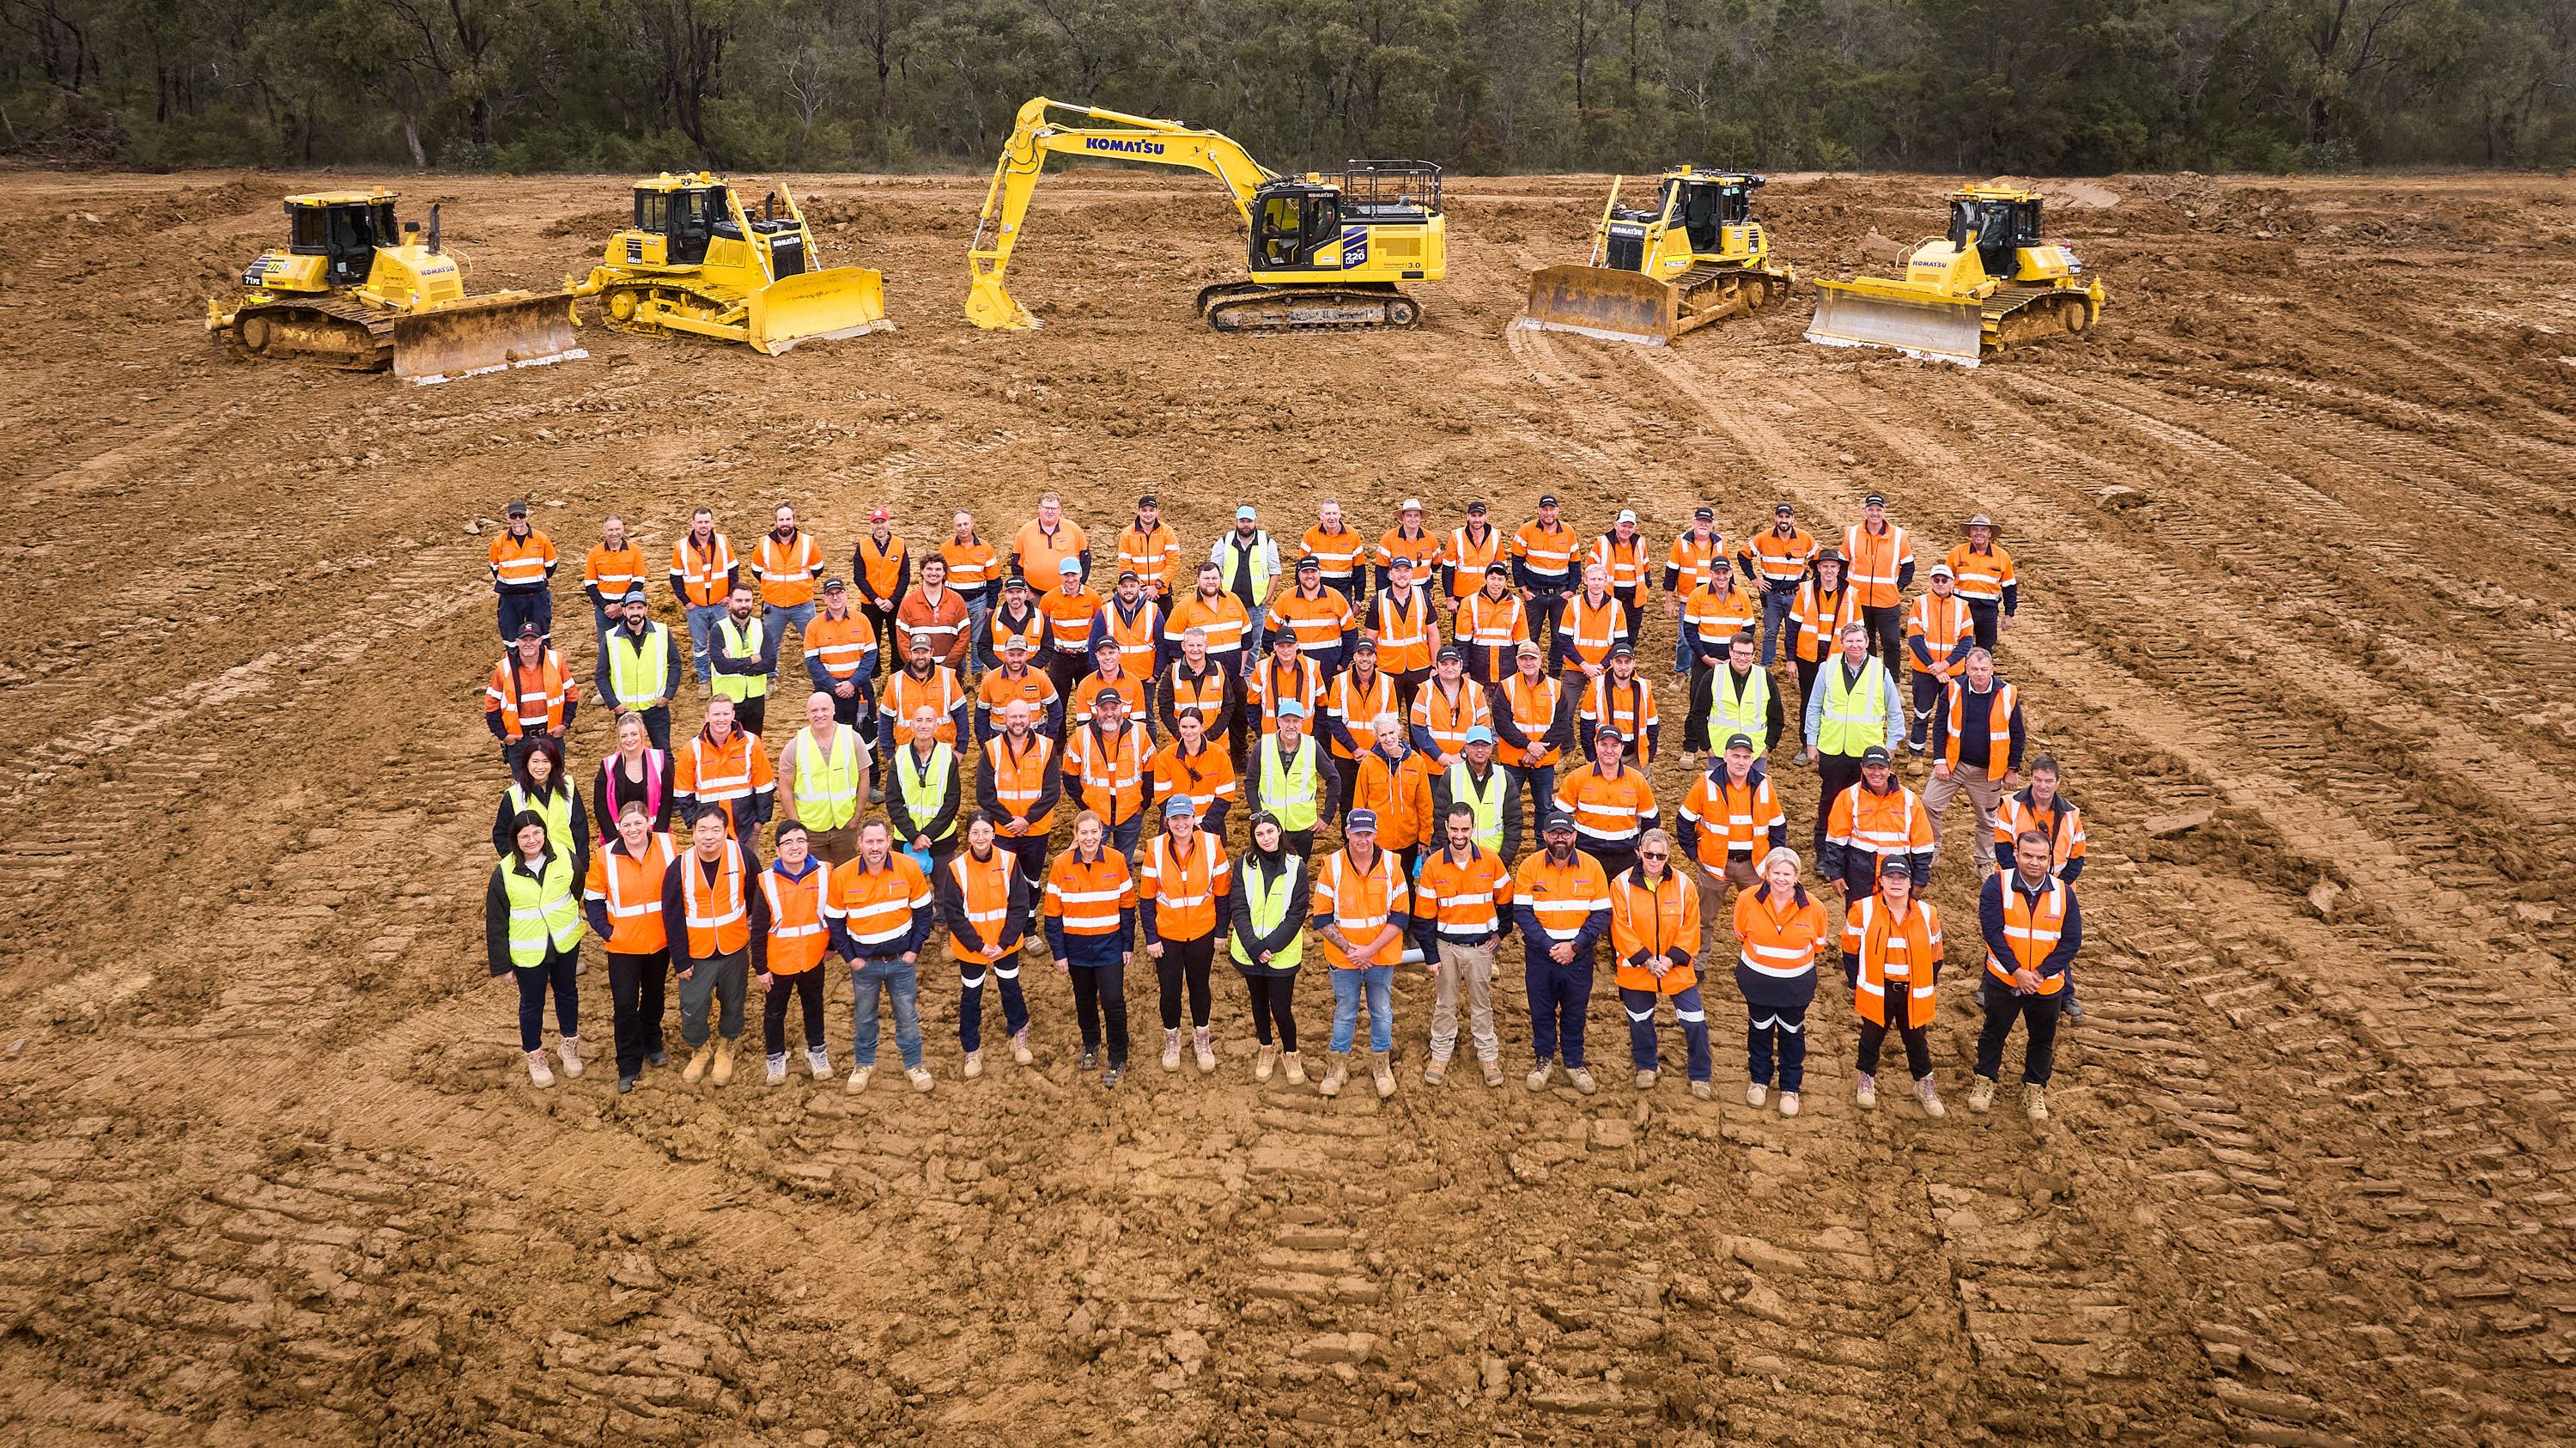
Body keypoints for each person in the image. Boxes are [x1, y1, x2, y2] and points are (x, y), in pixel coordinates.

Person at [1974, 830, 2082, 1119]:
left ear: (2049, 860)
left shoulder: (2064, 893)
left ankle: (2035, 1088)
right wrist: (2018, 972)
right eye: (2027, 856)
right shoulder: (1997, 885)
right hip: (2005, 981)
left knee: (2042, 1039)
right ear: (2016, 854)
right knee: (1994, 1033)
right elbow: (1992, 932)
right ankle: (1984, 1080)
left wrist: (2040, 974)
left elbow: (2071, 940)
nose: (2034, 863)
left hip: (2046, 986)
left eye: (2040, 857)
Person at [830, 818, 937, 1094]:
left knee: (907, 1016)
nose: (875, 847)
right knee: (864, 1016)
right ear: (859, 844)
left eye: (880, 841)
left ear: (889, 842)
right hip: (865, 966)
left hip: (901, 962)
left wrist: (914, 951)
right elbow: (834, 922)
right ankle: (863, 1065)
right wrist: (851, 958)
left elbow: (925, 912)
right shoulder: (842, 876)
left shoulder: (908, 867)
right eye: (869, 841)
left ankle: (914, 1065)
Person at [1413, 800, 1512, 1087]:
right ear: (1446, 828)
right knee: (1446, 1003)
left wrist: (1500, 933)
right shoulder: (1433, 866)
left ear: (1473, 828)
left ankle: (1487, 1055)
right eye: (1454, 828)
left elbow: (1506, 902)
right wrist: (1431, 956)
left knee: (1482, 1004)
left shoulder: (1491, 861)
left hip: (1482, 949)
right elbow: (1424, 918)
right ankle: (1440, 1052)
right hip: (1447, 948)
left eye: (1465, 829)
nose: (1459, 835)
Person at [1313, 808, 1410, 1099]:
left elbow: (1401, 916)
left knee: (1381, 1010)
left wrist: (1369, 950)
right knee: (1345, 1012)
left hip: (1379, 957)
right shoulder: (1331, 865)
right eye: (1357, 834)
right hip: (1345, 959)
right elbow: (1321, 918)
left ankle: (1382, 1066)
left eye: (1368, 834)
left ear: (1375, 834)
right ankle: (1337, 1067)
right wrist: (1352, 950)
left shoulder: (1393, 864)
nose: (1363, 840)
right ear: (1347, 833)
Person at [1513, 811, 1610, 1094]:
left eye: (1565, 834)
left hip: (1578, 958)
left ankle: (1574, 1062)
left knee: (1575, 1012)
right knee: (1541, 1011)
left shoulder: (1592, 867)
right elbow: (1522, 912)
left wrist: (1575, 945)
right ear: (1544, 836)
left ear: (1574, 837)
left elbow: (1601, 914)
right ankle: (1543, 1060)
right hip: (1541, 957)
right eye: (1554, 834)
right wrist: (1548, 946)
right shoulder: (1530, 867)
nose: (1560, 839)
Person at [583, 800, 677, 1092]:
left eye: (638, 823)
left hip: (660, 942)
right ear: (619, 827)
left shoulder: (669, 846)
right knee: (624, 1005)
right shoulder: (604, 856)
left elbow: (681, 886)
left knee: (654, 996)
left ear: (649, 822)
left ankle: (652, 1041)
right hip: (623, 946)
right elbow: (593, 900)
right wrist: (608, 932)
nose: (633, 829)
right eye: (627, 825)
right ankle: (628, 1063)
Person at [487, 808, 585, 1087]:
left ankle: (569, 1045)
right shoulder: (504, 872)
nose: (532, 840)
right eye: (525, 836)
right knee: (532, 1004)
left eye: (537, 833)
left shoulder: (566, 858)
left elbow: (577, 888)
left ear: (544, 832)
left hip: (564, 942)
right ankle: (535, 1055)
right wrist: (502, 966)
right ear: (515, 840)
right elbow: (496, 921)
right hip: (528, 951)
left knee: (567, 993)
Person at [1731, 845, 1830, 1116]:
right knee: (1759, 1030)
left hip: (1794, 987)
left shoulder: (1815, 907)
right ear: (1766, 873)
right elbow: (1741, 932)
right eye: (1776, 872)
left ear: (1797, 876)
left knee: (1792, 1034)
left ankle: (1790, 1088)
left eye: (1787, 873)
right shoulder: (1747, 899)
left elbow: (1818, 944)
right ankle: (1759, 1081)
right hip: (1758, 985)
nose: (1781, 879)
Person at [1612, 829, 1710, 1096]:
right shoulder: (1620, 885)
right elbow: (1620, 928)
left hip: (1674, 968)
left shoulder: (1684, 885)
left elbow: (1691, 927)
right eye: (1650, 854)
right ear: (1639, 853)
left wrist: (1671, 959)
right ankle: (1646, 1065)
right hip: (1638, 969)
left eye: (1661, 855)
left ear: (1668, 856)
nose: (1655, 860)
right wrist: (1645, 960)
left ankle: (1700, 1074)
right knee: (1639, 1018)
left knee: (1694, 1020)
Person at [1845, 856, 1944, 1117]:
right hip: (1879, 989)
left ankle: (1924, 1084)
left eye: (1902, 878)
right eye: (1890, 877)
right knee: (1871, 1035)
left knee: (1916, 1039)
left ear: (1911, 883)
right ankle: (1866, 1079)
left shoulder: (1927, 914)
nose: (1896, 882)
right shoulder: (1862, 909)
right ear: (1881, 881)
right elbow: (1850, 949)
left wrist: (1928, 984)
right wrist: (1854, 982)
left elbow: (1937, 953)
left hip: (1913, 990)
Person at [1045, 811, 1139, 1085]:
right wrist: (1058, 952)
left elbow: (1127, 906)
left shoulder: (1117, 860)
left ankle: (1118, 1056)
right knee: (1084, 1000)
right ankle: (1090, 1044)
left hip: (1109, 947)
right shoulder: (1061, 865)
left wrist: (1127, 944)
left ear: (1102, 833)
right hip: (1076, 950)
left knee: (1113, 1001)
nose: (1089, 838)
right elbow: (1052, 913)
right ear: (1075, 835)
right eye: (1083, 833)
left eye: (1094, 832)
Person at [937, 812, 1034, 1076]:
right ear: (968, 837)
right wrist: (979, 946)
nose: (980, 838)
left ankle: (1019, 1035)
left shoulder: (1009, 861)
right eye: (975, 833)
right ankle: (972, 1050)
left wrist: (1003, 943)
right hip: (973, 949)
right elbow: (954, 913)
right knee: (971, 997)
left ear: (994, 833)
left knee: (1011, 988)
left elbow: (1020, 905)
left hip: (1005, 945)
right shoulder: (956, 868)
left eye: (985, 832)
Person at [1140, 795, 1232, 1074]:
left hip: (1202, 932)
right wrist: (1151, 938)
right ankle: (1172, 1041)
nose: (1181, 824)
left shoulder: (1212, 844)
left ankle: (1202, 1040)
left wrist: (1220, 932)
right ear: (1167, 821)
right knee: (1169, 991)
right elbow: (1146, 899)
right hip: (1167, 935)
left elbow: (1223, 894)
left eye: (1185, 818)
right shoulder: (1154, 848)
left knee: (1199, 987)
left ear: (1194, 819)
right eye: (1175, 818)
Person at [661, 809, 752, 1087]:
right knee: (693, 1007)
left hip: (734, 949)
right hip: (697, 955)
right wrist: (680, 960)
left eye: (715, 830)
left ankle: (727, 1046)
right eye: (702, 830)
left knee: (733, 1001)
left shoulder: (742, 856)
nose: (709, 836)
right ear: (693, 832)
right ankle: (700, 1049)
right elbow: (672, 915)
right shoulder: (680, 866)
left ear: (725, 831)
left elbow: (755, 893)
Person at [1993, 755, 2087, 1020]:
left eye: (2048, 781)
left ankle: (2065, 993)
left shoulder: (2071, 815)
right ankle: (1991, 986)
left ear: (2058, 782)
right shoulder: (2011, 806)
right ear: (2031, 779)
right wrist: (2016, 877)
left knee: (2055, 941)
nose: (2042, 786)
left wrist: (2059, 886)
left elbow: (2078, 856)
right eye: (2038, 780)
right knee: (2006, 933)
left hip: (2056, 889)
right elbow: (2001, 846)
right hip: (2015, 884)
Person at [1802, 621, 1904, 853]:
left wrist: (1891, 746)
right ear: (1842, 643)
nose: (1855, 645)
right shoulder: (1827, 668)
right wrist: (1811, 742)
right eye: (1850, 641)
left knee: (1864, 803)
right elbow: (1814, 706)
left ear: (1867, 643)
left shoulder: (1880, 670)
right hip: (1832, 748)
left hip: (1867, 752)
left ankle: (1856, 849)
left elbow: (1895, 711)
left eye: (1859, 641)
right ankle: (1825, 850)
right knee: (1830, 801)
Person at [1925, 647, 2026, 873]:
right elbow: (1940, 725)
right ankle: (1930, 852)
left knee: (1987, 820)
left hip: (1987, 772)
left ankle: (1984, 862)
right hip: (1953, 765)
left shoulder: (2008, 694)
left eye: (1983, 669)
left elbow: (2018, 733)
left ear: (1992, 669)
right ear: (1966, 669)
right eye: (1974, 669)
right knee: (1930, 803)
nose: (1979, 673)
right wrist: (1940, 760)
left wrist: (2013, 768)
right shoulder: (1953, 689)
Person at [1230, 812, 1312, 1085]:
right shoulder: (1243, 864)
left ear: (1279, 832)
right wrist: (1254, 947)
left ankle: (1290, 1052)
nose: (1266, 838)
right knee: (1258, 1002)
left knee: (1281, 1008)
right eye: (1259, 834)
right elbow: (1238, 907)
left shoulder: (1297, 866)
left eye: (1270, 831)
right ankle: (1266, 1047)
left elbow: (1298, 912)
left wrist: (1272, 946)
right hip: (1249, 951)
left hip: (1282, 952)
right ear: (1254, 837)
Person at [1677, 733, 1789, 930]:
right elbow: (1684, 821)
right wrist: (1695, 856)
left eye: (1746, 757)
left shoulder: (1765, 784)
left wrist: (1773, 860)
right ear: (1725, 756)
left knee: (1759, 919)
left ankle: (1756, 958)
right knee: (1702, 921)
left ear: (1752, 759)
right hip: (1714, 865)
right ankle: (1698, 961)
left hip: (1753, 867)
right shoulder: (1705, 783)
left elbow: (1778, 826)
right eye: (1736, 756)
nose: (1741, 762)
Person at [750, 823, 835, 1086]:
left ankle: (817, 1051)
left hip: (813, 958)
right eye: (788, 842)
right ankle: (775, 1059)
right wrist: (761, 968)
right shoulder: (766, 882)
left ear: (808, 844)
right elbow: (759, 929)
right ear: (777, 850)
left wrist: (831, 948)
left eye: (800, 840)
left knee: (814, 1007)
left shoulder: (825, 873)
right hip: (779, 963)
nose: (795, 847)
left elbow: (833, 913)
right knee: (775, 1012)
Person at [976, 700, 1060, 950]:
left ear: (1031, 717)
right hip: (1004, 831)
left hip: (1036, 830)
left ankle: (1030, 929)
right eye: (1013, 716)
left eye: (1023, 716)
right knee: (1005, 881)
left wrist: (1027, 819)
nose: (1018, 721)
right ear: (1004, 718)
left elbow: (1052, 791)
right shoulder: (991, 749)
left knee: (1032, 881)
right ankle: (1007, 932)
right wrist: (1009, 821)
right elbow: (984, 794)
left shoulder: (1047, 748)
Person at [1821, 745, 1937, 900]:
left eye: (1881, 767)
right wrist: (1835, 873)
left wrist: (1920, 880)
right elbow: (1835, 839)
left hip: (1897, 876)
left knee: (1895, 922)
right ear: (1862, 768)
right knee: (1859, 921)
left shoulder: (1909, 800)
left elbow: (1923, 845)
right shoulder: (1849, 796)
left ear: (1889, 768)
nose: (1876, 773)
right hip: (1858, 875)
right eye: (1871, 767)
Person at [1493, 641, 1570, 859]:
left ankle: (1541, 848)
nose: (1528, 662)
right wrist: (1528, 745)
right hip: (1513, 760)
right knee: (1508, 808)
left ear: (1540, 660)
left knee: (1544, 807)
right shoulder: (1506, 687)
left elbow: (1562, 724)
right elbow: (1502, 723)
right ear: (1517, 661)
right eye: (1524, 658)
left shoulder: (1556, 688)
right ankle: (1507, 850)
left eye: (1532, 658)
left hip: (1544, 761)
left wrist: (1538, 750)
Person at [1554, 726, 1659, 885]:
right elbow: (1559, 817)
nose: (1609, 750)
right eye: (1604, 745)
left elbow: (1651, 818)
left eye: (1615, 745)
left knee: (1623, 904)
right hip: (1587, 854)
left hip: (1625, 856)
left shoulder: (1637, 780)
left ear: (1622, 748)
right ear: (1596, 746)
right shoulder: (1577, 778)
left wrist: (1642, 851)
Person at [776, 691, 870, 865]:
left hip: (845, 826)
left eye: (825, 709)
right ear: (807, 713)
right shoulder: (795, 745)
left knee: (845, 877)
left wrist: (857, 816)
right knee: (817, 881)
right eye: (814, 711)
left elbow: (864, 779)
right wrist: (796, 825)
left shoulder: (852, 739)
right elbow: (785, 788)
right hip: (811, 829)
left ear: (834, 710)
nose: (820, 715)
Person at [1062, 686, 1156, 859]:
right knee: (1092, 861)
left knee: (1125, 862)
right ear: (1096, 710)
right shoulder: (1081, 736)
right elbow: (1069, 777)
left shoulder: (1140, 734)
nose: (1109, 713)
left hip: (1131, 813)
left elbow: (1151, 772)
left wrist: (1143, 805)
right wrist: (1085, 806)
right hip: (1096, 816)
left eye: (1114, 708)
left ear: (1122, 707)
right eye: (1104, 709)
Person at [672, 696, 775, 843]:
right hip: (708, 835)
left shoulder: (751, 743)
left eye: (726, 714)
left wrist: (759, 823)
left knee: (747, 866)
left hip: (745, 830)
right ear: (707, 716)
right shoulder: (691, 749)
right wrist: (693, 823)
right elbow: (683, 792)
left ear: (733, 715)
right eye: (716, 714)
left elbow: (764, 785)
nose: (721, 719)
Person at [491, 735, 589, 885]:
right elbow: (501, 834)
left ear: (553, 763)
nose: (540, 767)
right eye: (535, 761)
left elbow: (580, 827)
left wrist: (581, 863)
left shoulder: (568, 786)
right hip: (533, 868)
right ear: (526, 764)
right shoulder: (514, 795)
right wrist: (518, 861)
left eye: (546, 761)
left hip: (567, 863)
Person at [1244, 698, 1335, 857]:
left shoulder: (1313, 746)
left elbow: (1334, 779)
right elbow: (1250, 784)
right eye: (1286, 721)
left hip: (1303, 827)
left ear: (1302, 722)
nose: (1291, 726)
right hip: (1270, 827)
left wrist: (1327, 816)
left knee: (1298, 871)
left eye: (1296, 721)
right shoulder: (1263, 745)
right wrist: (1259, 816)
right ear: (1278, 721)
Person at [1677, 559, 1758, 738]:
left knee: (1731, 702)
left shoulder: (1742, 595)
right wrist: (1704, 657)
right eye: (1717, 572)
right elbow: (1689, 630)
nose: (1721, 576)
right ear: (1710, 573)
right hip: (1704, 659)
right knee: (1697, 701)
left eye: (1725, 572)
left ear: (1730, 573)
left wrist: (1735, 658)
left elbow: (1749, 630)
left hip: (1733, 661)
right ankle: (1690, 745)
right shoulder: (1697, 595)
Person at [597, 587, 683, 751]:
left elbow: (675, 664)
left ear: (646, 609)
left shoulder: (662, 632)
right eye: (631, 608)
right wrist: (614, 704)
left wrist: (667, 695)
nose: (635, 612)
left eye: (639, 607)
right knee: (628, 755)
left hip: (656, 708)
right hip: (625, 710)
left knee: (663, 754)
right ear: (624, 610)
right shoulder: (610, 638)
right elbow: (601, 674)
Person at [484, 623, 578, 769]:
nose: (529, 644)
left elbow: (572, 695)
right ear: (517, 642)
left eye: (533, 639)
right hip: (519, 740)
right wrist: (503, 736)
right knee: (522, 789)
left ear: (540, 640)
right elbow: (491, 704)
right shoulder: (504, 668)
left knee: (555, 785)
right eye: (524, 640)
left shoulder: (556, 662)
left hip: (551, 736)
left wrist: (565, 725)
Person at [1352, 713, 1436, 875]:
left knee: (1406, 885)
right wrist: (1362, 837)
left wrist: (1425, 838)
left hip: (1408, 841)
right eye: (1383, 735)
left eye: (1391, 733)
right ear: (1377, 737)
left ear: (1399, 731)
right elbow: (1359, 804)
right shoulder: (1368, 764)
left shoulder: (1417, 762)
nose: (1388, 738)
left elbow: (1425, 804)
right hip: (1377, 841)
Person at [1904, 563, 1976, 752]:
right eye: (1937, 580)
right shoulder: (1920, 603)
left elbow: (1966, 642)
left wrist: (1944, 665)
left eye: (1945, 580)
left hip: (1952, 672)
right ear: (1930, 581)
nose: (1941, 583)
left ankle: (1947, 754)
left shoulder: (1963, 606)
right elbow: (1915, 640)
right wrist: (1934, 668)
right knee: (1921, 713)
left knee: (1952, 715)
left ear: (1952, 583)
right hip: (1925, 672)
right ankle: (1916, 753)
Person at [884, 704, 964, 870]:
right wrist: (914, 836)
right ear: (911, 725)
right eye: (919, 720)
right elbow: (893, 801)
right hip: (907, 839)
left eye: (929, 721)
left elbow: (952, 801)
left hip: (941, 838)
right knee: (908, 891)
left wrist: (927, 835)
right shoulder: (899, 757)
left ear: (936, 726)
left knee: (944, 890)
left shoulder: (948, 757)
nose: (923, 725)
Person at [1321, 637, 1394, 811]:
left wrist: (1374, 751)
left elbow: (1391, 725)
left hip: (1377, 753)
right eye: (1361, 654)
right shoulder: (1339, 681)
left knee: (1376, 798)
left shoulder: (1388, 683)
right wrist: (1355, 749)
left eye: (1369, 654)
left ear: (1376, 658)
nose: (1365, 658)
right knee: (1346, 800)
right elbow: (1333, 721)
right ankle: (1347, 837)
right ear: (1354, 656)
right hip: (1346, 753)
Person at [1740, 502, 1816, 669]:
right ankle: (1766, 668)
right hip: (1771, 595)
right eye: (1780, 517)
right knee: (1770, 633)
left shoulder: (1805, 538)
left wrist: (1811, 583)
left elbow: (1819, 558)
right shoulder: (1764, 537)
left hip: (1795, 595)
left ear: (1792, 519)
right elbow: (1743, 555)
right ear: (1775, 518)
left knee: (1794, 633)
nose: (1784, 520)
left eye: (1787, 517)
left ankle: (1795, 668)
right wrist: (1755, 580)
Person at [755, 502, 826, 680]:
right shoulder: (763, 543)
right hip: (774, 605)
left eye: (788, 519)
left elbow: (818, 567)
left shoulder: (808, 542)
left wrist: (800, 587)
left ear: (794, 520)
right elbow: (756, 570)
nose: (784, 523)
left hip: (802, 605)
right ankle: (770, 678)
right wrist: (775, 588)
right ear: (775, 522)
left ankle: (819, 677)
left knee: (813, 641)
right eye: (781, 520)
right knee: (770, 644)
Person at [879, 637, 968, 781]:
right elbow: (885, 720)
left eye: (924, 652)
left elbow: (962, 715)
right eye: (916, 652)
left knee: (943, 798)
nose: (920, 656)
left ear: (931, 652)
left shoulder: (948, 677)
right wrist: (890, 756)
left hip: (943, 753)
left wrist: (960, 752)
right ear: (910, 653)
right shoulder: (895, 681)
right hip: (907, 754)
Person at [1844, 492, 1915, 669]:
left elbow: (1908, 567)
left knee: (1891, 642)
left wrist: (1896, 587)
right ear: (1865, 511)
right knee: (1865, 643)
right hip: (1858, 600)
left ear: (1884, 512)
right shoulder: (1852, 533)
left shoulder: (1899, 536)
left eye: (1878, 509)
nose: (1874, 513)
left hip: (1887, 601)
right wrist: (1847, 590)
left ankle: (1893, 681)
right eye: (1871, 509)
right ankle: (1868, 676)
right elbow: (1842, 563)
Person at [1789, 551, 1861, 722]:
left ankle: (1828, 744)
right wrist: (1790, 659)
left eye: (1833, 566)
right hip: (1808, 659)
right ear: (1819, 568)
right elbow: (1792, 628)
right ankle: (1807, 744)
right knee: (1808, 702)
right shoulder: (1805, 590)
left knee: (1834, 702)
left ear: (1838, 569)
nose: (1829, 570)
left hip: (1838, 660)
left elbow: (1859, 633)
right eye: (1825, 566)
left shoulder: (1852, 594)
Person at [669, 507, 737, 686]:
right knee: (699, 646)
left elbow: (733, 570)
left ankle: (722, 677)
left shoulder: (723, 542)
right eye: (700, 522)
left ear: (712, 523)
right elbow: (675, 577)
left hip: (719, 604)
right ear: (693, 524)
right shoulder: (681, 546)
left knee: (722, 643)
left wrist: (729, 595)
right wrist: (686, 601)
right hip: (696, 606)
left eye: (707, 522)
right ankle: (704, 680)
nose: (703, 525)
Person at [803, 579, 883, 730]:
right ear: (824, 598)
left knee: (865, 737)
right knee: (831, 737)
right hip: (829, 691)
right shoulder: (814, 626)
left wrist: (853, 683)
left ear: (846, 595)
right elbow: (812, 663)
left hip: (859, 689)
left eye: (839, 593)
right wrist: (834, 687)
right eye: (830, 594)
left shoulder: (862, 620)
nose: (835, 597)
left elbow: (871, 656)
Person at [1695, 629, 1783, 762]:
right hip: (1721, 753)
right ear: (1730, 651)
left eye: (1747, 654)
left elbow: (1776, 717)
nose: (1742, 658)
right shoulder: (1713, 676)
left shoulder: (1765, 677)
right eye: (1738, 653)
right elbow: (1698, 714)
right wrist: (1707, 747)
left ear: (1754, 655)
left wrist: (1768, 747)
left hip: (1755, 754)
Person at [593, 709, 677, 849]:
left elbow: (667, 799)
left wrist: (657, 835)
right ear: (619, 738)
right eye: (624, 736)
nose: (629, 739)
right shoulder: (608, 766)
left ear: (642, 734)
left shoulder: (660, 761)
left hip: (655, 834)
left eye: (634, 734)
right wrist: (614, 839)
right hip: (619, 836)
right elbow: (600, 806)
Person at [1149, 707, 1236, 837]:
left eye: (1193, 727)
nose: (1188, 731)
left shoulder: (1218, 754)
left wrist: (1204, 826)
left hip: (1211, 827)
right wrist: (1182, 824)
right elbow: (1162, 798)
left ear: (1202, 727)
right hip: (1177, 828)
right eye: (1184, 727)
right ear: (1178, 727)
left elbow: (1225, 795)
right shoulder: (1166, 756)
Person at [1368, 553, 1440, 710]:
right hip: (1388, 669)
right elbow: (1370, 637)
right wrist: (1372, 667)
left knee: (1419, 719)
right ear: (1390, 574)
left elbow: (1433, 633)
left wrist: (1435, 666)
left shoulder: (1424, 597)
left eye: (1406, 570)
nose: (1402, 574)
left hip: (1420, 668)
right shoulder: (1378, 600)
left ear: (1412, 574)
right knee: (1389, 717)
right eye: (1398, 570)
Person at [1267, 554, 1358, 678]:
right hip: (1295, 672)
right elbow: (1268, 636)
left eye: (1313, 571)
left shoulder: (1336, 598)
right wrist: (1283, 663)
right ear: (1299, 575)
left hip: (1329, 672)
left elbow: (1351, 634)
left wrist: (1342, 665)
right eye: (1305, 572)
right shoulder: (1285, 599)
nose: (1310, 576)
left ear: (1320, 573)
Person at [1161, 624, 1242, 761]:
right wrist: (1181, 733)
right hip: (1182, 743)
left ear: (1206, 646)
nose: (1195, 649)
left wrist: (1210, 735)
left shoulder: (1219, 670)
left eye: (1199, 645)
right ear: (1183, 646)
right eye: (1191, 645)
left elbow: (1228, 706)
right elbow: (1164, 707)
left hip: (1216, 743)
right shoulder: (1172, 672)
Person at [1211, 505, 1283, 660]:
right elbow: (1213, 570)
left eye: (1249, 521)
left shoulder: (1267, 542)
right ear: (1236, 522)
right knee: (1230, 639)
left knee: (1254, 642)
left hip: (1255, 605)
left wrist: (1268, 597)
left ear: (1255, 521)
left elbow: (1275, 571)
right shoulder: (1224, 541)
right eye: (1242, 521)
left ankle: (1248, 675)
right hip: (1229, 604)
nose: (1245, 524)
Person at [1662, 506, 1728, 673]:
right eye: (1700, 521)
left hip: (1713, 600)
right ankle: (1682, 671)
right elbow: (1670, 574)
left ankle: (1705, 669)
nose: (1703, 525)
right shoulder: (1681, 542)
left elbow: (1727, 575)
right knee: (1685, 638)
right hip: (1688, 600)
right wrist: (1669, 602)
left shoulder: (1720, 543)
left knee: (1710, 636)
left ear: (1712, 525)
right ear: (1694, 522)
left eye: (1707, 522)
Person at [1429, 725, 1510, 858]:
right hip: (1460, 857)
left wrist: (1503, 860)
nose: (1479, 750)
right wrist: (1452, 854)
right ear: (1466, 748)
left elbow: (1513, 822)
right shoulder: (1451, 776)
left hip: (1493, 858)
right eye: (1474, 745)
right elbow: (1440, 819)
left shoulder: (1504, 777)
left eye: (1484, 745)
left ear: (1491, 748)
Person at [1512, 493, 1579, 650]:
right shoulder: (1526, 530)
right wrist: (1523, 589)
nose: (1548, 513)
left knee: (1560, 637)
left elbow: (1575, 564)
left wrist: (1571, 590)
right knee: (1529, 637)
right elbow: (1516, 562)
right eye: (1545, 509)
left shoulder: (1569, 532)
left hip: (1560, 594)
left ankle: (1555, 671)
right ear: (1539, 511)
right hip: (1535, 594)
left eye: (1552, 509)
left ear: (1558, 510)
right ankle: (1526, 671)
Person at [489, 497, 559, 644]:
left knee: (541, 638)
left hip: (537, 597)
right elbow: (495, 568)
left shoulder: (542, 539)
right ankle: (515, 666)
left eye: (521, 516)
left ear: (528, 516)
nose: (518, 520)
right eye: (514, 516)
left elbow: (551, 566)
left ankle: (543, 666)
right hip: (510, 599)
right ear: (507, 518)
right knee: (511, 641)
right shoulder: (499, 542)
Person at [709, 581, 775, 736]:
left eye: (747, 600)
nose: (743, 605)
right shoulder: (719, 629)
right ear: (730, 602)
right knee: (728, 745)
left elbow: (770, 662)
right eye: (739, 601)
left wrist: (736, 664)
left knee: (753, 744)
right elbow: (721, 666)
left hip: (755, 698)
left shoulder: (760, 626)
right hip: (727, 701)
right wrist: (752, 660)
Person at [1946, 514, 2019, 650]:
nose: (1979, 533)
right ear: (1970, 533)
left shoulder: (2002, 556)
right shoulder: (1957, 553)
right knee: (1957, 647)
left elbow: (2009, 587)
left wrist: (2009, 614)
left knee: (1985, 650)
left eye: (1983, 530)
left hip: (1988, 611)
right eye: (1975, 529)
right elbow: (1943, 583)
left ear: (1990, 534)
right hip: (1962, 609)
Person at [1577, 643, 1659, 764]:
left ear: (1634, 663)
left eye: (1627, 662)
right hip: (1606, 755)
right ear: (1611, 663)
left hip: (1636, 757)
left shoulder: (1644, 687)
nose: (1623, 667)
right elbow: (1586, 725)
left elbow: (1652, 724)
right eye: (1619, 662)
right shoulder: (1596, 686)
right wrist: (1591, 756)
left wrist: (1650, 754)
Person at [1166, 560, 1255, 672]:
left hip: (1234, 674)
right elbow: (1172, 641)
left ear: (1220, 579)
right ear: (1198, 580)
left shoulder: (1234, 600)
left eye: (1215, 578)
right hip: (1203, 677)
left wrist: (1242, 667)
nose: (1211, 582)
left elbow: (1246, 636)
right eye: (1206, 578)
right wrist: (1187, 671)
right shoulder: (1184, 606)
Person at [1412, 646, 1492, 769]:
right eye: (1444, 664)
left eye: (1454, 663)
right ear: (1437, 667)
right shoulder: (1425, 690)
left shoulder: (1475, 690)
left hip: (1468, 765)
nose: (1450, 668)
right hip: (1433, 765)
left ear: (1461, 665)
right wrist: (1439, 756)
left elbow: (1484, 727)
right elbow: (1418, 728)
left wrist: (1463, 755)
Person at [852, 508, 910, 673]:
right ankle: (874, 674)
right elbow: (859, 577)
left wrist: (893, 600)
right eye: (876, 523)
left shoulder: (900, 544)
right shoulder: (862, 546)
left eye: (882, 522)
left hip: (895, 603)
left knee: (897, 639)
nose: (879, 526)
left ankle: (897, 673)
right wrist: (875, 599)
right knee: (871, 640)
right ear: (871, 525)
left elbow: (905, 575)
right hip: (871, 603)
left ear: (888, 523)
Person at [1099, 570, 1165, 714]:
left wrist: (1156, 675)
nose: (1128, 590)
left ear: (1138, 587)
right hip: (1114, 677)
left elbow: (1162, 645)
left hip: (1145, 678)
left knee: (1146, 718)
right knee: (1115, 717)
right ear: (1118, 588)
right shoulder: (1106, 611)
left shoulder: (1153, 610)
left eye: (1132, 585)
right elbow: (1094, 646)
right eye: (1124, 586)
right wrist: (1101, 674)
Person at [895, 554, 972, 674]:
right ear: (922, 571)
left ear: (944, 573)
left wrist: (946, 667)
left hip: (951, 671)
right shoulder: (908, 602)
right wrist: (917, 666)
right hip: (918, 672)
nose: (933, 573)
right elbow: (902, 640)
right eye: (929, 569)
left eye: (938, 569)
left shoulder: (957, 600)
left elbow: (964, 638)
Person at [1040, 557, 1106, 698]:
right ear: (1060, 575)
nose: (1070, 580)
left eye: (1073, 575)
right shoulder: (1048, 599)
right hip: (1060, 658)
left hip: (1086, 658)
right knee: (1058, 700)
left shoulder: (1093, 597)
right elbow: (1042, 631)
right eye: (1066, 575)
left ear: (1081, 574)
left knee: (1090, 698)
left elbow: (1099, 627)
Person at [1455, 561, 1530, 684]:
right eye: (1492, 578)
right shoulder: (1469, 602)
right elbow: (1462, 642)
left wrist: (1522, 669)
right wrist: (1464, 670)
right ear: (1485, 579)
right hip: (1478, 671)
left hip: (1507, 671)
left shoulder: (1517, 604)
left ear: (1506, 582)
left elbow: (1522, 643)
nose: (1496, 583)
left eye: (1500, 579)